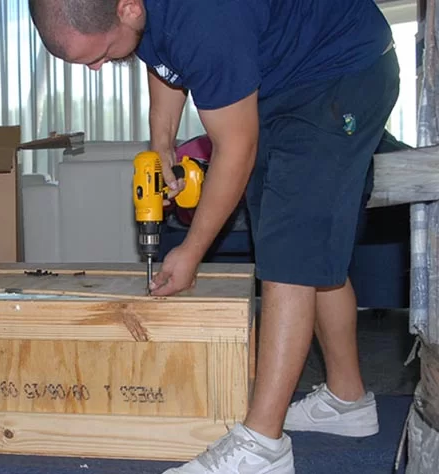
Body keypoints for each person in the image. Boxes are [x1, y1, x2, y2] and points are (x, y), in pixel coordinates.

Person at [28, 0, 400, 472]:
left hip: (340, 71)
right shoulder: (145, 16)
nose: (99, 68)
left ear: (128, 9)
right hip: (284, 78)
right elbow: (164, 59)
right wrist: (161, 140)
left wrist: (192, 251)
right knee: (304, 240)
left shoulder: (205, 17)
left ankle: (263, 447)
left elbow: (235, 148)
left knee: (289, 252)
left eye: (99, 55)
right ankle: (347, 401)